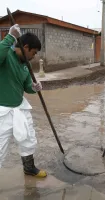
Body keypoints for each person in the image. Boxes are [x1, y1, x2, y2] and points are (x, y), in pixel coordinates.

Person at [0, 24, 47, 177]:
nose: (34, 56)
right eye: (33, 52)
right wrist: (10, 36)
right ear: (25, 47)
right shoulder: (6, 55)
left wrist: (34, 87)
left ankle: (29, 168)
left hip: (19, 108)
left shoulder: (25, 65)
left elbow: (27, 86)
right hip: (2, 110)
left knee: (28, 138)